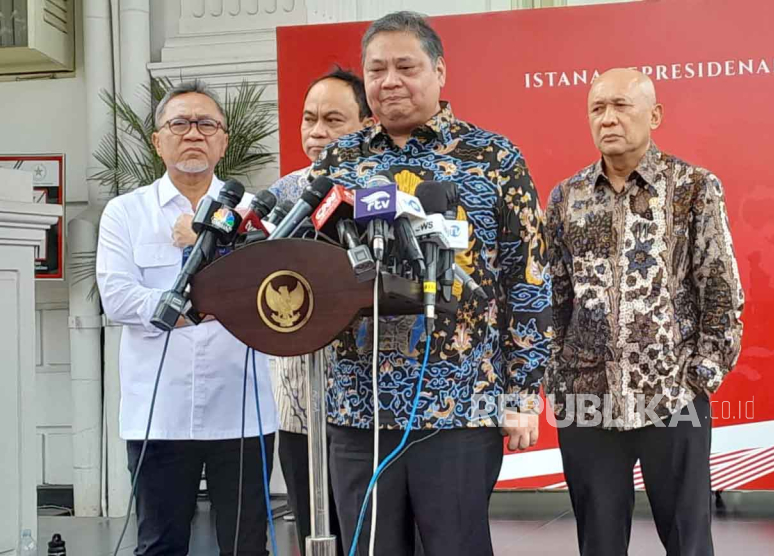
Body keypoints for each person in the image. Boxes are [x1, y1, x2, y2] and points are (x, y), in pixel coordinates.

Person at [310, 12, 553, 555]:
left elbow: (528, 280)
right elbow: (313, 266)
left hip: (460, 405)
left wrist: (522, 395)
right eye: (376, 69)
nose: (389, 81)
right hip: (358, 409)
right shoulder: (339, 161)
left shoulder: (493, 158)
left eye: (405, 66)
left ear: (439, 71)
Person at [545, 68, 745, 556]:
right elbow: (553, 297)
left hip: (673, 396)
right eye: (597, 109)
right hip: (586, 398)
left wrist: (700, 376)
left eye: (620, 106)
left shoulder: (693, 187)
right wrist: (555, 374)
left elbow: (720, 288)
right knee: (598, 542)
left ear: (653, 115)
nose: (607, 119)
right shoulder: (565, 197)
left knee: (688, 539)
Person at [96, 80, 277, 556]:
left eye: (206, 124)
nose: (192, 133)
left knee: (246, 546)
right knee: (159, 544)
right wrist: (208, 307)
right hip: (159, 413)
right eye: (179, 123)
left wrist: (197, 288)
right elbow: (117, 298)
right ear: (158, 141)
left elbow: (268, 297)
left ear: (223, 140)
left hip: (241, 410)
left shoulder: (255, 218)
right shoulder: (125, 213)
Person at [269, 66, 372, 556]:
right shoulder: (284, 194)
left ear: (367, 123)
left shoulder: (381, 194)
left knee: (371, 532)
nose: (317, 132)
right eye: (309, 119)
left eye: (333, 119)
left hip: (368, 400)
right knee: (312, 525)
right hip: (298, 401)